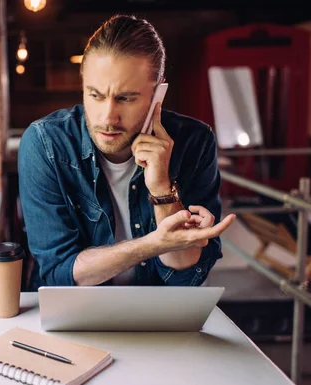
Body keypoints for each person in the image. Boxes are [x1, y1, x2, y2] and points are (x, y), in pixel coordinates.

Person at [17, 14, 236, 289]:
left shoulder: (195, 142)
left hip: (158, 316)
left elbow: (185, 276)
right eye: (95, 95)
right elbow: (60, 272)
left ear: (158, 94)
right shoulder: (46, 144)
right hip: (76, 315)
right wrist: (152, 244)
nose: (108, 117)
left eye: (125, 98)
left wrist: (161, 187)